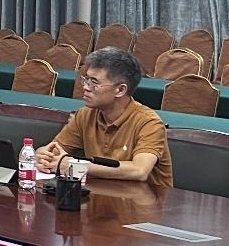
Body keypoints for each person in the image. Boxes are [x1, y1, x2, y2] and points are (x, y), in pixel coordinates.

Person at [35, 47, 173, 187]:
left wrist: (77, 166)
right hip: (101, 193)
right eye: (86, 80)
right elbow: (52, 150)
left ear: (120, 90)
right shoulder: (85, 114)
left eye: (94, 83)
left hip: (148, 198)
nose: (86, 87)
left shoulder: (149, 123)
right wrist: (43, 156)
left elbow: (139, 171)